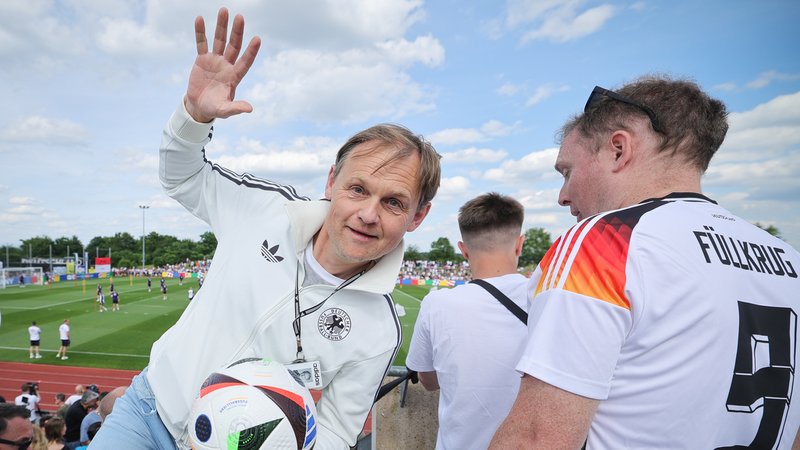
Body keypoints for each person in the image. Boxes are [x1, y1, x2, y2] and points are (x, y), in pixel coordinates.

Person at [91, 7, 440, 450]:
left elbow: (336, 429)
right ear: (331, 182)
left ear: (418, 217)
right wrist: (193, 118)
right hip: (148, 417)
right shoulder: (264, 207)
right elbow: (181, 177)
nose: (368, 214)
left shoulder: (380, 328)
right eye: (357, 189)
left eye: (393, 202)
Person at [489, 76, 800, 449]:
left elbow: (537, 439)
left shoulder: (606, 240)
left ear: (618, 149)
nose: (562, 196)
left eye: (567, 171)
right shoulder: (789, 259)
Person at [407, 192, 528, 449]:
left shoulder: (436, 304)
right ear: (520, 244)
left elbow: (427, 380)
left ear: (463, 250)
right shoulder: (548, 300)